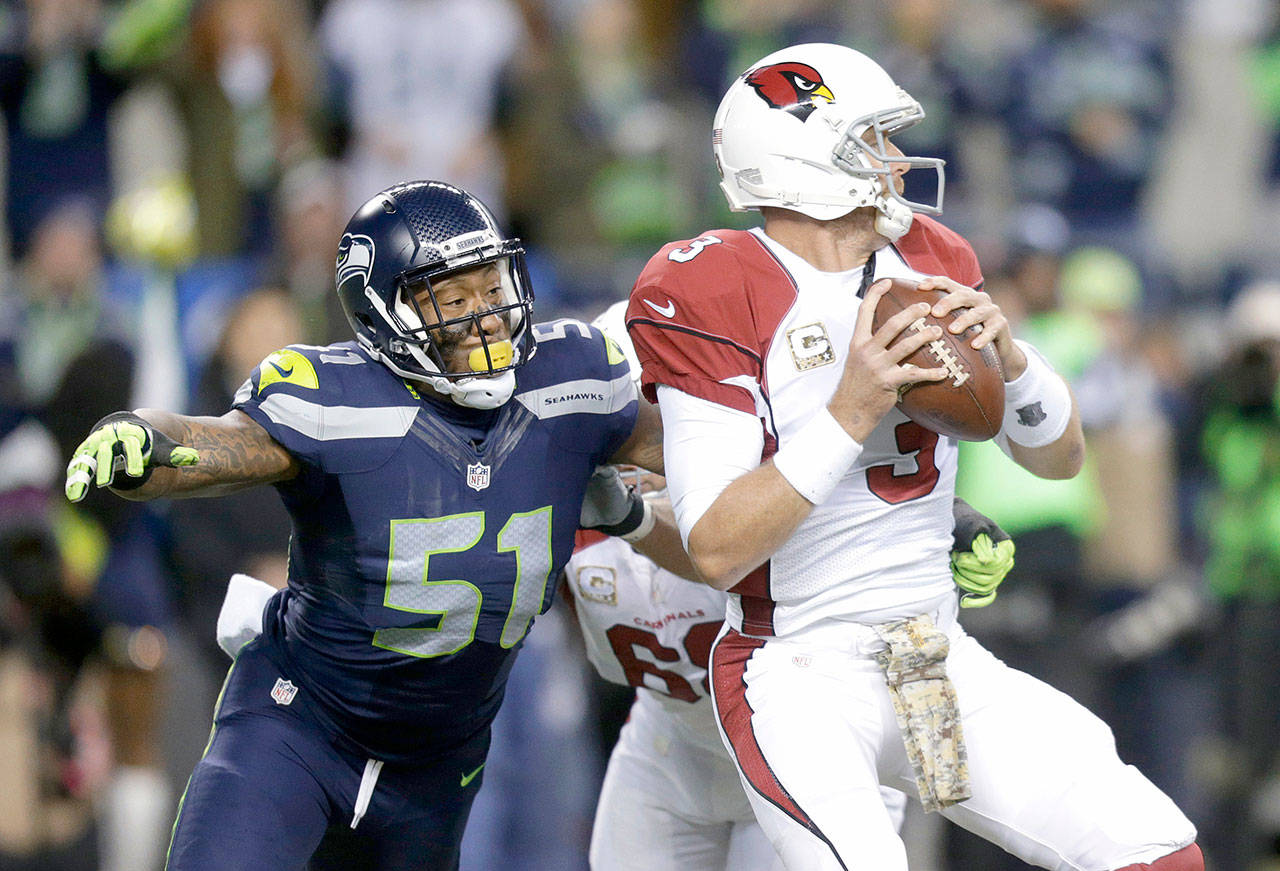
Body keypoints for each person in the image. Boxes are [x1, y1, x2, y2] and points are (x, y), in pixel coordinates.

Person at [624, 43, 1202, 871]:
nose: (896, 162)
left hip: (937, 656)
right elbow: (716, 545)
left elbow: (1061, 458)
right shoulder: (716, 286)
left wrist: (1013, 359)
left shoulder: (932, 257)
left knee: (1159, 852)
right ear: (803, 155)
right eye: (874, 141)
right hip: (799, 672)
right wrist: (849, 408)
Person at [62, 179, 683, 871]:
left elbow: (701, 448)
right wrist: (140, 439)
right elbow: (209, 443)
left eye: (491, 286)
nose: (485, 316)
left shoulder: (572, 385)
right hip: (297, 724)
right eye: (453, 298)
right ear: (385, 311)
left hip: (440, 761)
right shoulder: (335, 399)